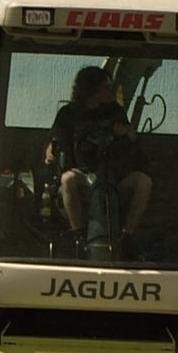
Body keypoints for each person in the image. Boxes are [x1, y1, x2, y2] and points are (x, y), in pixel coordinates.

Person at [46, 66, 152, 253]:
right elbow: (55, 143)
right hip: (84, 178)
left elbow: (132, 140)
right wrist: (52, 150)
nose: (110, 92)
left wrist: (126, 133)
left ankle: (127, 237)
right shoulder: (68, 114)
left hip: (115, 180)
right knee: (67, 180)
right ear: (91, 90)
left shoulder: (115, 112)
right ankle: (78, 237)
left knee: (143, 182)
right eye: (106, 88)